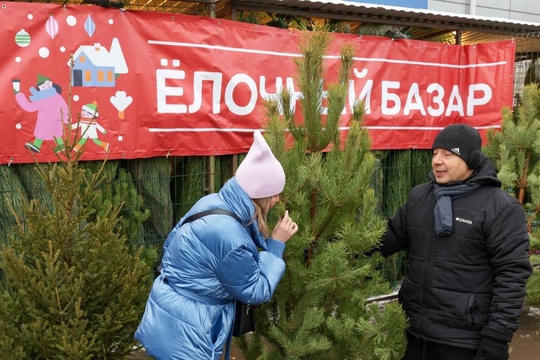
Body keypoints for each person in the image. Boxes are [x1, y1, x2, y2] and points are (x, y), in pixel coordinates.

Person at [135, 130, 298, 359]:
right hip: (191, 328)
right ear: (259, 194)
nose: (278, 200)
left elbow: (171, 241)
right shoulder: (230, 238)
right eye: (274, 194)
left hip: (168, 311)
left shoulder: (211, 202)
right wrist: (275, 246)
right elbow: (255, 290)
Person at [376, 124, 532, 360]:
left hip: (464, 340)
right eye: (435, 153)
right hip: (413, 331)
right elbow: (386, 239)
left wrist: (497, 336)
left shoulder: (500, 208)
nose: (437, 161)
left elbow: (512, 276)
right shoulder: (421, 196)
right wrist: (323, 242)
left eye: (448, 155)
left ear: (470, 160)